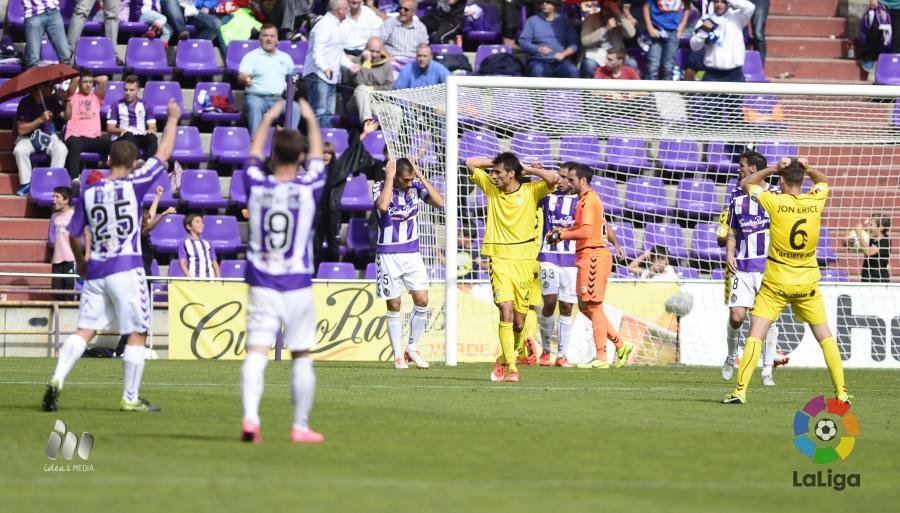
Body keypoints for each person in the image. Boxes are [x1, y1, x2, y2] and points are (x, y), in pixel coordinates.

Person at [41, 99, 182, 413]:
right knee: (137, 331)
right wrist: (172, 119)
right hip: (127, 268)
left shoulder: (89, 192)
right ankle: (130, 398)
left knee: (84, 330)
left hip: (97, 271)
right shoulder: (135, 184)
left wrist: (80, 262)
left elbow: (73, 234)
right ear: (132, 164)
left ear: (107, 161)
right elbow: (163, 154)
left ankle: (57, 379)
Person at [723, 157, 850, 405]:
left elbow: (747, 182)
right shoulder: (815, 201)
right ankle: (842, 393)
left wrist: (772, 168)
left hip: (777, 284)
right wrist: (807, 167)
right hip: (807, 284)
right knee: (825, 337)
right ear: (802, 181)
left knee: (755, 336)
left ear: (781, 181)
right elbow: (823, 181)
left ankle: (739, 392)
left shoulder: (775, 202)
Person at [240, 99, 326, 444]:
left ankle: (250, 419)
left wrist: (267, 119)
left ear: (273, 157)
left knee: (257, 351)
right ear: (301, 157)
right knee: (302, 354)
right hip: (297, 283)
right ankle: (300, 425)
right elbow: (319, 159)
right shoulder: (309, 187)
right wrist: (310, 119)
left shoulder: (257, 184)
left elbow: (250, 156)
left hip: (262, 280)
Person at [465, 153, 559, 383]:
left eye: (498, 172)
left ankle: (503, 359)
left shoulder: (530, 191)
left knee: (519, 322)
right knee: (505, 310)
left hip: (525, 263)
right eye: (492, 172)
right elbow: (470, 162)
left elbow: (554, 178)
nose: (492, 175)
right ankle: (513, 368)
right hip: (499, 260)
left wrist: (526, 168)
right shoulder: (491, 187)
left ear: (512, 174)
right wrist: (496, 164)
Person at [547, 163, 632, 369]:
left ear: (583, 181)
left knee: (593, 307)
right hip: (587, 256)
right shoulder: (585, 200)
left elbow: (585, 232)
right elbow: (584, 227)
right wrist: (561, 231)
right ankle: (621, 345)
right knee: (585, 306)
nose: (568, 183)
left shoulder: (588, 201)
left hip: (594, 256)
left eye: (572, 180)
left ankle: (602, 357)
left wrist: (562, 235)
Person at [372, 158, 445, 369]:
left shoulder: (415, 187)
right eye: (406, 179)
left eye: (411, 179)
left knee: (422, 300)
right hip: (388, 255)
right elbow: (383, 205)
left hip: (412, 254)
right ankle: (397, 354)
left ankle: (412, 348)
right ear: (394, 177)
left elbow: (440, 203)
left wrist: (420, 176)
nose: (409, 183)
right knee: (394, 304)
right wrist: (388, 177)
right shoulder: (380, 187)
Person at [719, 150, 781, 386]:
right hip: (743, 265)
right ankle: (731, 356)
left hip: (768, 266)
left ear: (753, 169)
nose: (738, 168)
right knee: (737, 316)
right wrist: (729, 252)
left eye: (742, 165)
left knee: (769, 320)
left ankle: (767, 370)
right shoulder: (735, 194)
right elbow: (733, 228)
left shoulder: (775, 193)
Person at [535, 162, 579, 367]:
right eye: (558, 176)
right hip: (548, 256)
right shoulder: (547, 196)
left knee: (567, 307)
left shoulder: (582, 201)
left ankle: (561, 355)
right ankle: (545, 350)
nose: (560, 180)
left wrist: (614, 243)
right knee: (550, 302)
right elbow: (527, 193)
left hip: (572, 260)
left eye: (565, 177)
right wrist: (538, 171)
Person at [239, 24, 302, 134]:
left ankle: (289, 140)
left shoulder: (285, 57)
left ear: (277, 39)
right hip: (256, 97)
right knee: (254, 106)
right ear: (260, 38)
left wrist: (293, 85)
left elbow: (294, 76)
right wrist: (245, 79)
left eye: (272, 36)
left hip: (278, 99)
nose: (269, 39)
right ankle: (255, 141)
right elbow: (241, 76)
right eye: (265, 36)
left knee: (295, 107)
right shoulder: (251, 56)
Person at [303, 0, 354, 129]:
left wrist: (350, 65)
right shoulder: (324, 25)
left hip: (332, 76)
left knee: (329, 113)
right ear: (339, 10)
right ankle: (316, 142)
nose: (348, 11)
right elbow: (317, 52)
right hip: (318, 74)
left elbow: (338, 51)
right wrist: (325, 68)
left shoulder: (338, 26)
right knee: (319, 112)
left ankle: (325, 141)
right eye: (346, 9)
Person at [13, 84, 68, 197]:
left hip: (47, 136)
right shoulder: (25, 102)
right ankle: (26, 184)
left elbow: (67, 117)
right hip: (28, 138)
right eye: (49, 86)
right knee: (19, 150)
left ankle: (54, 183)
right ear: (39, 88)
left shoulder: (52, 100)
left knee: (61, 148)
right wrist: (40, 119)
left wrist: (66, 100)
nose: (52, 88)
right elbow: (21, 130)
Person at [689, 0, 755, 82]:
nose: (719, 5)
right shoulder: (705, 19)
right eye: (716, 1)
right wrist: (703, 32)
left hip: (734, 75)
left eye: (723, 2)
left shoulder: (738, 17)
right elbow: (694, 46)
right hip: (712, 75)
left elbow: (750, 7)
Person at [64, 71, 112, 182]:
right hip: (75, 137)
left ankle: (109, 173)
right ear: (80, 84)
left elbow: (104, 78)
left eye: (90, 82)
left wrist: (91, 79)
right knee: (74, 145)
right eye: (85, 82)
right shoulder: (72, 97)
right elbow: (75, 78)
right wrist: (81, 79)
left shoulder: (96, 97)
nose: (88, 85)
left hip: (93, 138)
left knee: (111, 143)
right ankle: (74, 179)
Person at [518, 0, 580, 78]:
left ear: (555, 4)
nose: (544, 4)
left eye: (548, 2)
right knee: (537, 70)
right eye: (542, 2)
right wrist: (538, 49)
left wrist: (564, 54)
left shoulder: (564, 21)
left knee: (572, 70)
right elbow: (523, 43)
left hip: (560, 61)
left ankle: (573, 91)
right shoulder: (532, 21)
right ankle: (537, 90)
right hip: (538, 60)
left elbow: (574, 43)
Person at [107, 75, 158, 158]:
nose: (128, 93)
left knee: (152, 137)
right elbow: (110, 129)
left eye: (131, 90)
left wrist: (150, 130)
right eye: (126, 90)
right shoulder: (116, 105)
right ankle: (136, 163)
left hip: (140, 136)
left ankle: (151, 164)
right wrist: (121, 130)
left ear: (138, 90)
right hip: (124, 137)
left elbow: (153, 127)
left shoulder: (145, 105)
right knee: (129, 135)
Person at [348, 37, 395, 123]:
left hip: (375, 103)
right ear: (365, 49)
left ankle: (392, 136)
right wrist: (367, 62)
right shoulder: (356, 62)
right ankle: (367, 123)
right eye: (371, 51)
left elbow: (389, 88)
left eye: (377, 51)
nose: (374, 55)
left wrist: (372, 89)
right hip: (356, 103)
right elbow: (360, 82)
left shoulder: (386, 65)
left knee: (396, 111)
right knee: (362, 88)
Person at [581, 8, 637, 78]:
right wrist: (605, 29)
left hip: (617, 55)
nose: (607, 8)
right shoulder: (591, 19)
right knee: (589, 64)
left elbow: (631, 34)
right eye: (606, 4)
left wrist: (619, 14)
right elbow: (585, 41)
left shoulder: (619, 17)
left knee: (632, 63)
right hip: (598, 56)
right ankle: (593, 88)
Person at [642, 0, 690, 80]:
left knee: (668, 66)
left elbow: (687, 7)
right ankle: (649, 91)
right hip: (657, 30)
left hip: (673, 31)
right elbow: (646, 7)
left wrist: (682, 25)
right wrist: (649, 27)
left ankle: (667, 91)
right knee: (653, 64)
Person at [23, 0, 73, 69]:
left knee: (66, 55)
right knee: (33, 59)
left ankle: (65, 78)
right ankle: (33, 79)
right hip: (33, 13)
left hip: (53, 11)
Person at [50, 186, 78, 301]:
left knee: (68, 292)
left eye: (57, 197)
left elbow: (87, 234)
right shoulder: (54, 217)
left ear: (66, 200)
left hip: (70, 259)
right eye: (53, 196)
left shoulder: (74, 215)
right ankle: (57, 318)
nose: (53, 200)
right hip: (57, 260)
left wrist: (86, 254)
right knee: (56, 292)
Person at [178, 213, 221, 278]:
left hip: (209, 281)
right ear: (189, 227)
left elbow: (214, 263)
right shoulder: (184, 243)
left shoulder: (208, 243)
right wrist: (190, 278)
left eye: (202, 222)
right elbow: (182, 264)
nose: (201, 224)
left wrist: (218, 278)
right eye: (198, 222)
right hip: (194, 281)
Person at [860, 0, 893, 72]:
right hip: (881, 5)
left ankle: (893, 59)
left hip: (897, 6)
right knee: (876, 27)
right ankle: (868, 57)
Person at [859, 213, 891, 283]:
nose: (868, 228)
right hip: (866, 278)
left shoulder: (885, 241)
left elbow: (868, 252)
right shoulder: (869, 239)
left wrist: (859, 234)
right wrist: (849, 240)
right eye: (868, 224)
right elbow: (848, 246)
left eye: (871, 225)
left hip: (880, 280)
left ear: (881, 228)